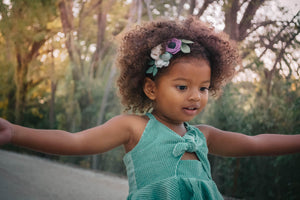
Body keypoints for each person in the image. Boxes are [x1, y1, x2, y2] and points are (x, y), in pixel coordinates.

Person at [0, 17, 299, 200]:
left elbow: (256, 143)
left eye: (204, 87)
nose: (195, 96)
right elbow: (75, 141)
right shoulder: (134, 127)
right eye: (182, 87)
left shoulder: (202, 136)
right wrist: (14, 132)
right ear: (151, 88)